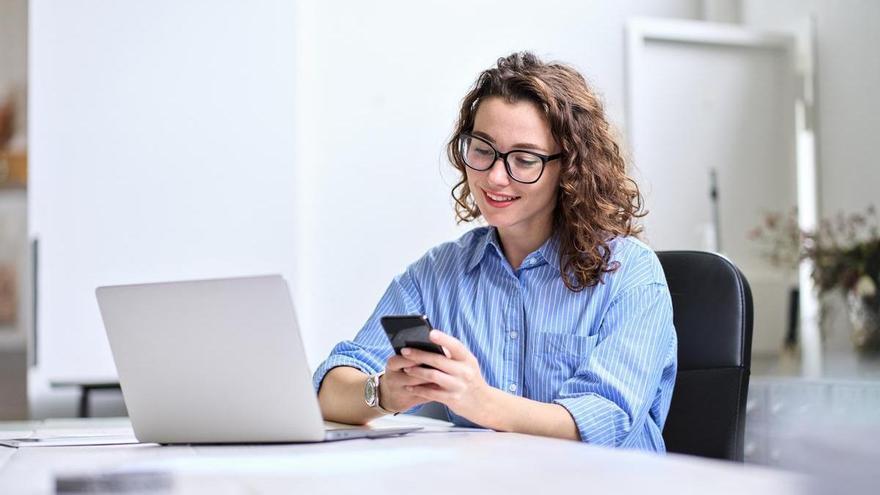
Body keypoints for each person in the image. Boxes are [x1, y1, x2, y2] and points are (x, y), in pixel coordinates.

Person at [312, 51, 677, 452]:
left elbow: (606, 419)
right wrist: (383, 393)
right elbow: (331, 386)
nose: (494, 176)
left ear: (570, 169)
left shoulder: (631, 274)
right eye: (483, 149)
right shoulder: (437, 274)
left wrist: (479, 401)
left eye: (524, 159)